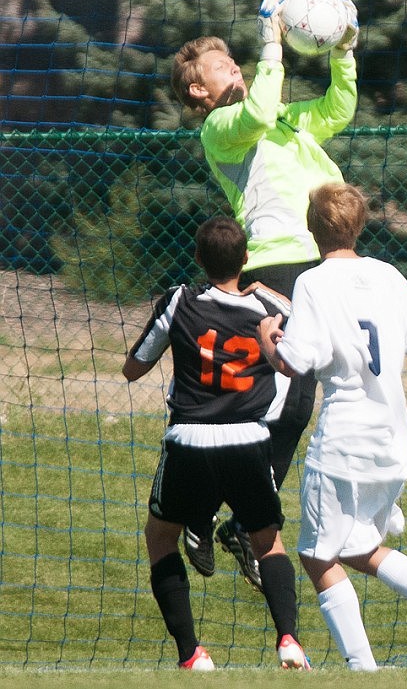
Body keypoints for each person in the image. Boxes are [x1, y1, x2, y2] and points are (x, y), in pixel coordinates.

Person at [256, 182, 407, 670]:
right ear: (360, 225)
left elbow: (297, 361)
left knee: (317, 557)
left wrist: (268, 340)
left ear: (311, 228)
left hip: (344, 438)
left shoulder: (313, 283)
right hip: (392, 436)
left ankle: (362, 670)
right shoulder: (389, 275)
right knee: (361, 547)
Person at [170, 0, 359, 583]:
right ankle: (223, 516)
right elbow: (255, 111)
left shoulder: (282, 121)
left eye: (238, 60)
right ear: (199, 90)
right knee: (282, 396)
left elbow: (336, 111)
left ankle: (226, 519)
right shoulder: (225, 127)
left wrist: (344, 51)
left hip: (316, 261)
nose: (239, 68)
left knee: (296, 400)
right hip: (276, 266)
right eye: (223, 66)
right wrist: (272, 45)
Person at [122, 216, 309, 671]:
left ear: (198, 259)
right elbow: (298, 356)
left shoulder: (180, 300)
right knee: (269, 543)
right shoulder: (271, 305)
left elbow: (133, 368)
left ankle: (192, 653)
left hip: (189, 440)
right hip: (249, 439)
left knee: (158, 536)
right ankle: (289, 640)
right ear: (246, 260)